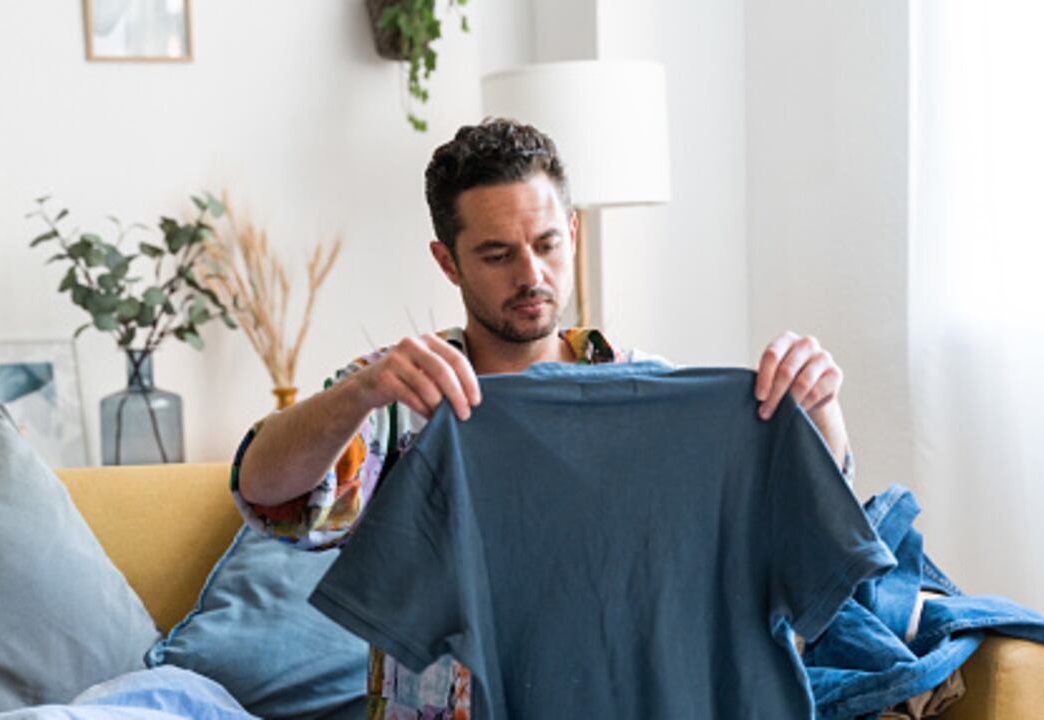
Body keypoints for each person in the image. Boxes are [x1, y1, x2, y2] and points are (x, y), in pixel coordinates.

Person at [232, 117, 854, 718]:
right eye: (497, 255)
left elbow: (806, 510)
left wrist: (818, 408)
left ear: (574, 233)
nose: (531, 275)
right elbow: (265, 495)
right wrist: (360, 392)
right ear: (448, 263)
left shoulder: (654, 394)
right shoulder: (401, 396)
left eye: (547, 244)